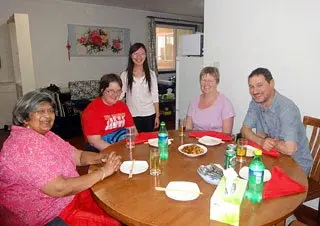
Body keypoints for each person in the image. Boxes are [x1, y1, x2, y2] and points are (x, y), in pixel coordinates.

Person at [0, 91, 122, 226]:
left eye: (51, 111)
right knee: (113, 222)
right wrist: (103, 172)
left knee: (113, 206)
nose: (47, 115)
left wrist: (102, 158)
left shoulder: (46, 135)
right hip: (45, 214)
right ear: (25, 118)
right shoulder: (25, 145)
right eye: (40, 111)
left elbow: (79, 156)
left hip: (67, 197)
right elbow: (59, 188)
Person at [240, 67, 313, 175]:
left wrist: (266, 139)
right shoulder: (256, 102)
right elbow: (244, 130)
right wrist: (262, 141)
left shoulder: (287, 109)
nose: (255, 91)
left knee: (256, 184)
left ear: (271, 83)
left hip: (296, 166)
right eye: (251, 87)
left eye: (259, 85)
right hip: (272, 158)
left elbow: (290, 149)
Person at [82, 73, 137, 152]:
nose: (115, 95)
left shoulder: (122, 106)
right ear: (102, 90)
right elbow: (95, 141)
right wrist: (117, 151)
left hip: (123, 146)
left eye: (118, 91)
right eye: (111, 91)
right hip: (101, 149)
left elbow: (132, 131)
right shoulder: (91, 111)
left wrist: (133, 147)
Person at [120, 42, 160, 132]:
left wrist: (157, 116)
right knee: (134, 141)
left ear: (145, 56)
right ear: (131, 56)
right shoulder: (125, 75)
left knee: (147, 142)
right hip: (131, 115)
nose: (139, 57)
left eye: (142, 54)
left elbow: (155, 96)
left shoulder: (151, 74)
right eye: (136, 54)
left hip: (149, 114)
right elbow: (120, 95)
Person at [185, 66, 235, 134]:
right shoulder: (193, 102)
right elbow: (188, 129)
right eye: (204, 80)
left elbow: (227, 135)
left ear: (217, 83)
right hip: (196, 142)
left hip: (217, 143)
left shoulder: (225, 104)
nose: (206, 84)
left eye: (210, 81)